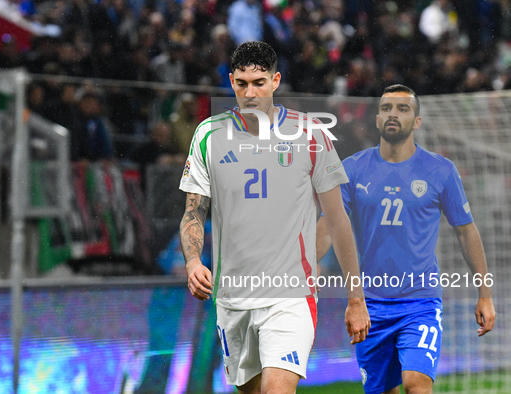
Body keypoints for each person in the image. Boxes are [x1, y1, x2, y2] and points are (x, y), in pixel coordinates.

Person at [178, 41, 370, 394]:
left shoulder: (310, 134)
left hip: (290, 296)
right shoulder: (208, 135)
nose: (250, 93)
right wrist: (192, 261)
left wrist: (356, 298)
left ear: (276, 80)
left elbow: (337, 219)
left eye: (259, 83)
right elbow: (193, 212)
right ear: (232, 82)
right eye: (241, 84)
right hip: (232, 298)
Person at [316, 84, 496, 394]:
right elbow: (329, 226)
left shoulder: (440, 170)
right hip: (370, 305)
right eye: (386, 108)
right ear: (376, 118)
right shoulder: (353, 169)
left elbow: (465, 231)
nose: (393, 115)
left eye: (403, 109)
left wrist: (485, 292)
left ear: (417, 121)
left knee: (417, 384)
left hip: (420, 301)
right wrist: (297, 264)